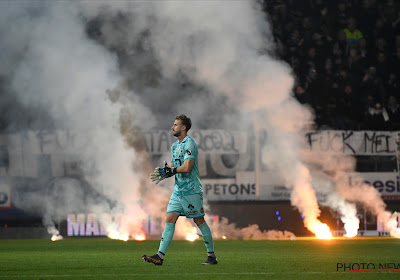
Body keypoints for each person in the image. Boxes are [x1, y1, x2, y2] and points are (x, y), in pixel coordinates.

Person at [142, 114, 217, 266]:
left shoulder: (190, 144)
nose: (172, 127)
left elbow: (187, 167)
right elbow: (174, 165)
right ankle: (159, 256)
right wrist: (166, 171)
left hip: (191, 190)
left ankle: (211, 256)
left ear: (183, 127)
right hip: (178, 191)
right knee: (169, 219)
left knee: (199, 221)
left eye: (175, 125)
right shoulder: (175, 146)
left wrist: (173, 170)